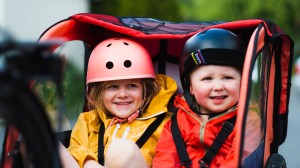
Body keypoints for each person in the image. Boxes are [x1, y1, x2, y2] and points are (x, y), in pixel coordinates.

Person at [153, 28, 261, 168]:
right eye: (207, 79)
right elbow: (165, 158)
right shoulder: (179, 120)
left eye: (228, 78)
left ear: (242, 83)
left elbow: (238, 161)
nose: (218, 86)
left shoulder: (247, 120)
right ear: (190, 87)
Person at [64, 38, 177, 168]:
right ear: (97, 93)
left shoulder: (165, 124)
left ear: (145, 90)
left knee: (122, 150)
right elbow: (74, 152)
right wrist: (90, 163)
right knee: (53, 145)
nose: (123, 94)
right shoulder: (88, 121)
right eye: (113, 87)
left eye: (131, 86)